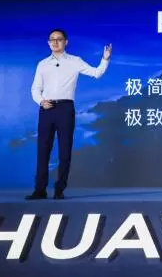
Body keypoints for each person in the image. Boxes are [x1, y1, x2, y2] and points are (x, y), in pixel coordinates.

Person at [25, 29, 112, 200]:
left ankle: (59, 189)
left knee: (65, 151)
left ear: (66, 42)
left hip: (65, 109)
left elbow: (96, 73)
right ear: (48, 43)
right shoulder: (42, 64)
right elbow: (35, 88)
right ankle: (40, 190)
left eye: (59, 39)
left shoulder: (75, 61)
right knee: (43, 150)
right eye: (52, 39)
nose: (55, 42)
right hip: (46, 109)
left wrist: (105, 59)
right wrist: (41, 101)